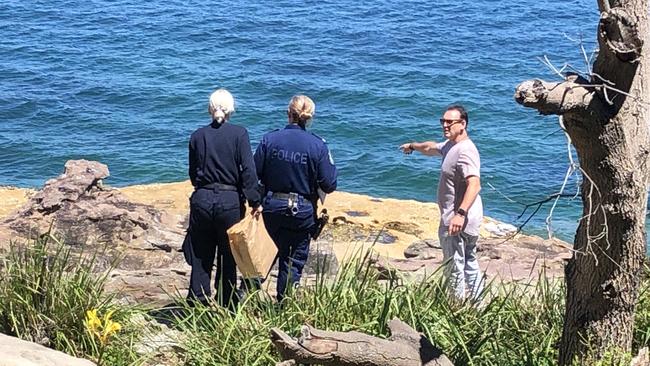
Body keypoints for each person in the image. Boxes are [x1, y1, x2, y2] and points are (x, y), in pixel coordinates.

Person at [254, 95, 337, 302]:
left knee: (260, 257)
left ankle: (242, 300)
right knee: (292, 262)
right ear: (309, 118)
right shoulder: (318, 145)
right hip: (301, 211)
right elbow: (329, 184)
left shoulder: (269, 139)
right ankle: (285, 308)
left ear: (288, 114)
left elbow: (253, 173)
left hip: (271, 208)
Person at [184, 88, 261, 308]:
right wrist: (255, 200)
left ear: (210, 108)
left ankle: (197, 302)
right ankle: (226, 302)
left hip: (202, 198)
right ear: (230, 110)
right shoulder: (239, 134)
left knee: (201, 254)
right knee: (228, 256)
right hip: (230, 201)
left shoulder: (197, 135)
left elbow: (193, 173)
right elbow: (248, 170)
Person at [400, 104, 484, 301]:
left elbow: (475, 184)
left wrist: (459, 214)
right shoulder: (451, 146)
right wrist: (413, 146)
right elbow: (431, 147)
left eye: (449, 122)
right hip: (463, 218)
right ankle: (477, 306)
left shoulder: (465, 151)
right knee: (468, 262)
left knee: (454, 267)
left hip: (458, 220)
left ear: (462, 124)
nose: (445, 126)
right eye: (443, 122)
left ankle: (458, 309)